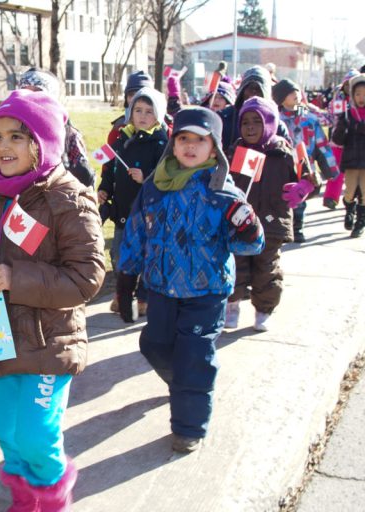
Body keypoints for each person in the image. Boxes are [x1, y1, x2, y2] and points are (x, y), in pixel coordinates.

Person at [0, 89, 105, 510]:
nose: (3, 147)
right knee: (7, 432)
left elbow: (87, 276)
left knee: (36, 433)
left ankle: (52, 495)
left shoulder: (68, 197)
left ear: (43, 143)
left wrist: (17, 278)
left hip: (50, 340)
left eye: (17, 137)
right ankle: (25, 497)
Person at [117, 107, 265, 453]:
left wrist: (248, 225)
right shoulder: (155, 186)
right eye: (184, 138)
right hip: (162, 287)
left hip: (207, 291)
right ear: (173, 143)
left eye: (200, 140)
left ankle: (190, 427)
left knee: (194, 358)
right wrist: (126, 275)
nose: (190, 146)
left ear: (214, 148)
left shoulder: (221, 191)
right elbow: (137, 231)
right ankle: (181, 381)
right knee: (154, 345)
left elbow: (249, 243)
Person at [225, 97, 316, 331]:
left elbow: (308, 178)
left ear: (270, 123)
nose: (251, 127)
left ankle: (263, 310)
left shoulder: (283, 152)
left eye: (258, 121)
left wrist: (303, 188)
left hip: (272, 223)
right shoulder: (237, 149)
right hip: (240, 221)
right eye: (245, 122)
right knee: (236, 265)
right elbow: (224, 180)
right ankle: (232, 305)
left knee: (266, 270)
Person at [0, 67, 96, 188]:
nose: (29, 99)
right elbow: (4, 179)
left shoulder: (69, 135)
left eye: (37, 92)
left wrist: (81, 176)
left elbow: (83, 190)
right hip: (15, 211)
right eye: (25, 92)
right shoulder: (11, 126)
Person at [97, 87, 168, 321]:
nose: (142, 116)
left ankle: (144, 297)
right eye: (138, 110)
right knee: (118, 254)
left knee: (147, 256)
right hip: (122, 210)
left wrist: (145, 176)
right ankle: (122, 294)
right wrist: (104, 189)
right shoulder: (121, 139)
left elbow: (165, 176)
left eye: (149, 111)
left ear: (158, 115)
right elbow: (110, 168)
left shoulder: (161, 143)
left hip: (147, 213)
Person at [273, 78, 339, 242]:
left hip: (304, 166)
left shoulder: (309, 119)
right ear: (281, 98)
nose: (295, 94)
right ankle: (284, 227)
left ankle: (298, 227)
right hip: (282, 165)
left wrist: (330, 169)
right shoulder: (275, 120)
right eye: (290, 92)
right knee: (283, 196)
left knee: (300, 198)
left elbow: (322, 145)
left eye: (296, 90)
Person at [331, 73, 365, 237]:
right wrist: (340, 128)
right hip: (351, 160)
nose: (361, 98)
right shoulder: (347, 114)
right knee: (350, 191)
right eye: (358, 94)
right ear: (352, 95)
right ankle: (349, 209)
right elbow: (338, 139)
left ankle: (360, 222)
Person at [106, 70, 155, 146]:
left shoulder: (164, 127)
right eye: (131, 95)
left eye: (140, 94)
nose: (135, 99)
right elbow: (109, 152)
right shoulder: (119, 126)